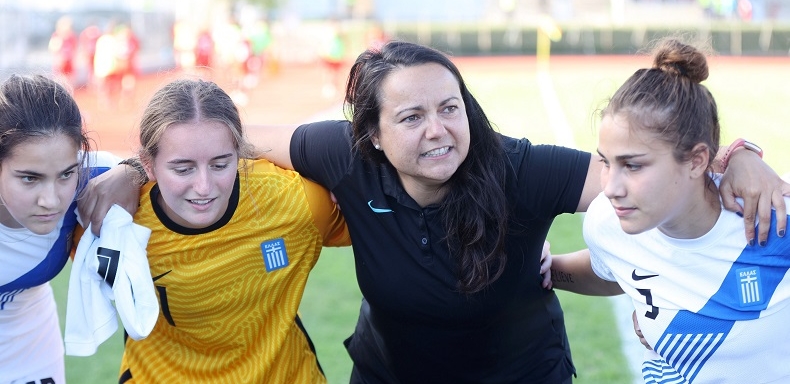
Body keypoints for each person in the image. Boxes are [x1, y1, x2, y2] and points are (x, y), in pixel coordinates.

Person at [82, 41, 787, 383]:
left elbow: (648, 175)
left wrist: (735, 158)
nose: (438, 130)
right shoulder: (341, 158)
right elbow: (225, 137)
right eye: (411, 116)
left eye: (450, 108)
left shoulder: (521, 168)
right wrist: (128, 170)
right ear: (371, 134)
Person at [549, 38, 790, 383]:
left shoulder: (773, 218)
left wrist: (740, 152)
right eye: (606, 163)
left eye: (633, 165)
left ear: (697, 161)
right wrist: (537, 270)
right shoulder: (607, 223)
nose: (611, 188)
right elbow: (610, 270)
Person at [109, 79, 350, 383]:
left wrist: (351, 187)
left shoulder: (295, 202)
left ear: (240, 154)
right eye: (183, 169)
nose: (204, 187)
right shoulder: (116, 222)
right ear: (148, 164)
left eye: (220, 165)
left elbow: (384, 221)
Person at [0, 74, 120, 384]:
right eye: (30, 178)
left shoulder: (97, 178)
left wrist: (132, 172)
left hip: (29, 347)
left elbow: (209, 156)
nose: (51, 200)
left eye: (66, 174)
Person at [48, 16, 78, 88]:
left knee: (69, 82)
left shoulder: (72, 36)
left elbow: (74, 50)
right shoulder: (56, 36)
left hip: (69, 62)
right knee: (59, 82)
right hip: (60, 62)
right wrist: (59, 41)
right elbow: (53, 49)